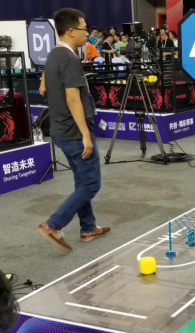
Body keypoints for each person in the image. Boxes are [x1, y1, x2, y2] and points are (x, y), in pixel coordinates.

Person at [37, 8, 111, 253]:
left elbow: (44, 86)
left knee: (82, 182)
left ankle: (88, 227)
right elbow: (72, 99)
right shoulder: (68, 59)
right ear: (70, 31)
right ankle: (53, 225)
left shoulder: (54, 54)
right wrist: (86, 134)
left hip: (60, 130)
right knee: (91, 184)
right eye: (84, 28)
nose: (87, 33)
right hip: (74, 133)